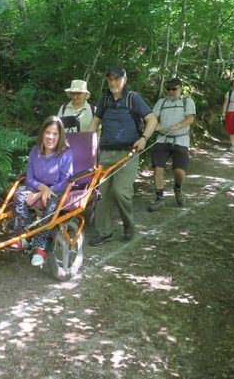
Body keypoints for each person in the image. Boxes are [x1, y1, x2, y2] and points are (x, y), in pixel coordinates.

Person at [87, 66, 157, 246]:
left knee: (120, 192)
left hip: (128, 152)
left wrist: (144, 138)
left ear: (124, 80)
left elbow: (152, 119)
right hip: (104, 153)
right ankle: (104, 232)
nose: (113, 82)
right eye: (110, 79)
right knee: (100, 195)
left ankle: (128, 224)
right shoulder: (104, 99)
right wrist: (87, 145)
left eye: (117, 79)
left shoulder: (133, 98)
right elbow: (95, 122)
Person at [12, 116, 74, 266]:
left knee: (52, 204)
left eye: (55, 134)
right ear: (42, 134)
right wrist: (41, 188)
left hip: (57, 189)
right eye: (47, 132)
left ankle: (40, 247)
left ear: (60, 136)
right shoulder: (35, 151)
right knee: (19, 193)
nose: (50, 137)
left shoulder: (66, 153)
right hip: (38, 186)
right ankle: (25, 236)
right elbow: (29, 178)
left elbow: (66, 181)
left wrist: (42, 193)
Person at [148, 77, 196, 212]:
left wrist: (179, 125)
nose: (171, 91)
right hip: (162, 139)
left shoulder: (187, 101)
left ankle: (178, 188)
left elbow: (191, 118)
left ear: (180, 88)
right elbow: (152, 117)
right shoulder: (161, 102)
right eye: (168, 89)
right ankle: (159, 198)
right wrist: (155, 125)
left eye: (174, 89)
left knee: (179, 171)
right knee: (158, 167)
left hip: (180, 139)